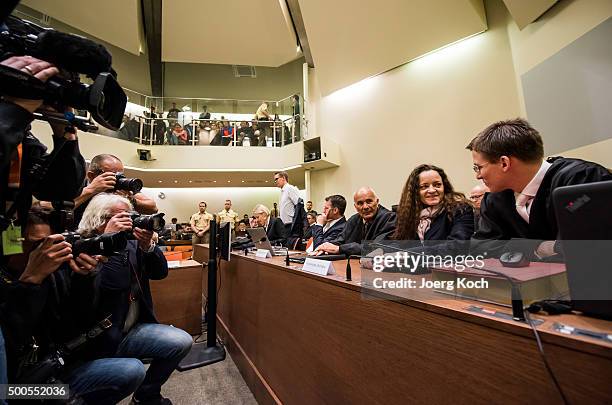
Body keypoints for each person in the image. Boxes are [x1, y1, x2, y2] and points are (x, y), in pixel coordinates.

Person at [0, 208, 145, 404]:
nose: (48, 252)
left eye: (51, 242)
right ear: (12, 242)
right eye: (39, 244)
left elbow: (75, 323)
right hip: (13, 388)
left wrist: (84, 279)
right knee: (67, 399)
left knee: (132, 371)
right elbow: (11, 340)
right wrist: (30, 281)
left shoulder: (53, 275)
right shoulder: (8, 280)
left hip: (52, 369)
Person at [78, 193, 192, 405]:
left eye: (130, 216)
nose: (130, 222)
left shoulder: (130, 243)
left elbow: (160, 273)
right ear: (100, 219)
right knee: (132, 370)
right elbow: (112, 283)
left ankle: (146, 395)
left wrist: (148, 246)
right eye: (121, 217)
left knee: (181, 341)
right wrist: (108, 242)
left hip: (132, 329)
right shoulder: (84, 246)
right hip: (100, 337)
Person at [467, 118, 612, 258]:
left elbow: (581, 247)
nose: (478, 176)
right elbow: (480, 249)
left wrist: (513, 249)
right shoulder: (495, 199)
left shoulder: (583, 179)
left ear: (504, 163)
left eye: (478, 167)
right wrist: (538, 248)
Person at [392, 164, 474, 254]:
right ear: (415, 192)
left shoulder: (461, 210)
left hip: (448, 266)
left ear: (444, 187)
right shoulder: (407, 215)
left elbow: (457, 247)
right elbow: (398, 244)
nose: (432, 190)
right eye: (424, 186)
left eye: (437, 185)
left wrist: (407, 254)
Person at [73, 154, 157, 225]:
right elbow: (62, 209)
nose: (116, 179)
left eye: (120, 175)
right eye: (111, 175)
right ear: (91, 176)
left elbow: (153, 208)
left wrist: (130, 199)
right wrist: (91, 190)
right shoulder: (78, 186)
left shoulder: (119, 186)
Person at [315, 187, 396, 256]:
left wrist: (341, 249)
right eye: (360, 203)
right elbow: (340, 240)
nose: (365, 207)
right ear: (355, 206)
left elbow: (376, 248)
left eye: (369, 201)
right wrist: (325, 248)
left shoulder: (390, 218)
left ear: (377, 202)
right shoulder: (353, 219)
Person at [274, 171, 300, 236]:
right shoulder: (283, 191)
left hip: (291, 224)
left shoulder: (290, 188)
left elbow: (298, 205)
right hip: (284, 225)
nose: (275, 181)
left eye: (277, 179)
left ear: (283, 178)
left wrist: (296, 223)